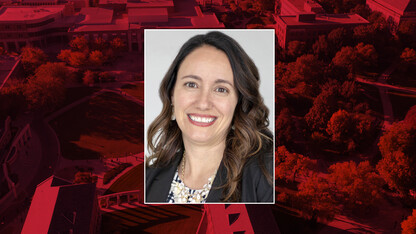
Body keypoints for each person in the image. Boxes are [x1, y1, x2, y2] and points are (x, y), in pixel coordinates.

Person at [146, 31, 273, 203]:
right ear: (172, 96)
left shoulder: (267, 174)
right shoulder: (148, 178)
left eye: (221, 89)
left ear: (238, 104)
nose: (203, 103)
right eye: (191, 84)